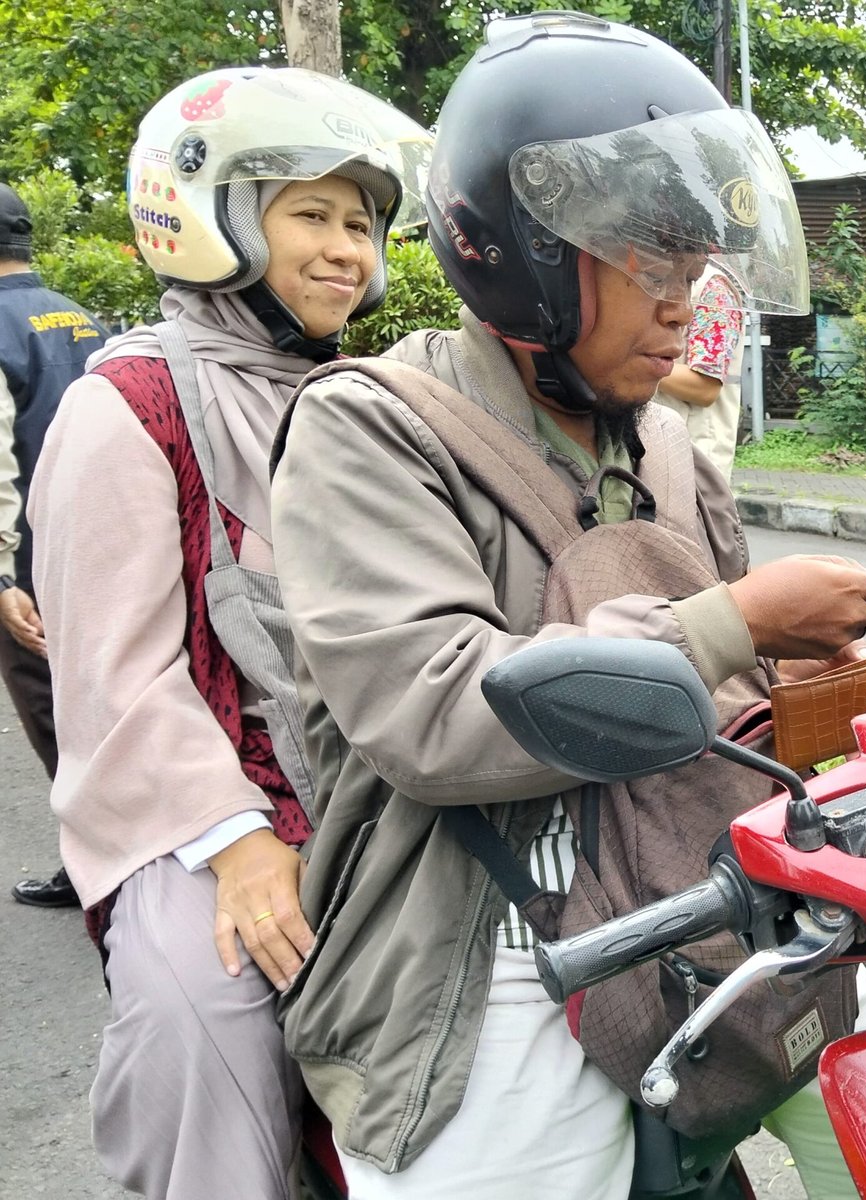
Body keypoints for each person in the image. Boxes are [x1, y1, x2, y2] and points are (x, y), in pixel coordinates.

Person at [270, 15, 866, 1199]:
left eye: (695, 271)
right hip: (484, 939)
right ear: (523, 252)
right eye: (652, 267)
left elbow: (737, 702)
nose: (684, 308)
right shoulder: (368, 426)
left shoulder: (667, 446)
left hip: (697, 889)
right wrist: (738, 621)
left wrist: (835, 682)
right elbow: (432, 712)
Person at [27, 68, 429, 1198]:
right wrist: (238, 841)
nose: (347, 249)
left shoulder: (358, 397)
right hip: (197, 805)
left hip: (369, 780)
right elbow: (116, 678)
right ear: (210, 217)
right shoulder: (129, 403)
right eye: (311, 214)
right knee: (204, 1006)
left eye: (361, 223)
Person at [0, 181, 105, 908]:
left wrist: (3, 574)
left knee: (51, 706)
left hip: (31, 558)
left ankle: (96, 860)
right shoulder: (77, 313)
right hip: (98, 539)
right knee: (102, 697)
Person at [654, 266, 745, 479]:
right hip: (658, 449)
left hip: (697, 456)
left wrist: (633, 363)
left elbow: (705, 389)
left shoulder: (713, 291)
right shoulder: (659, 277)